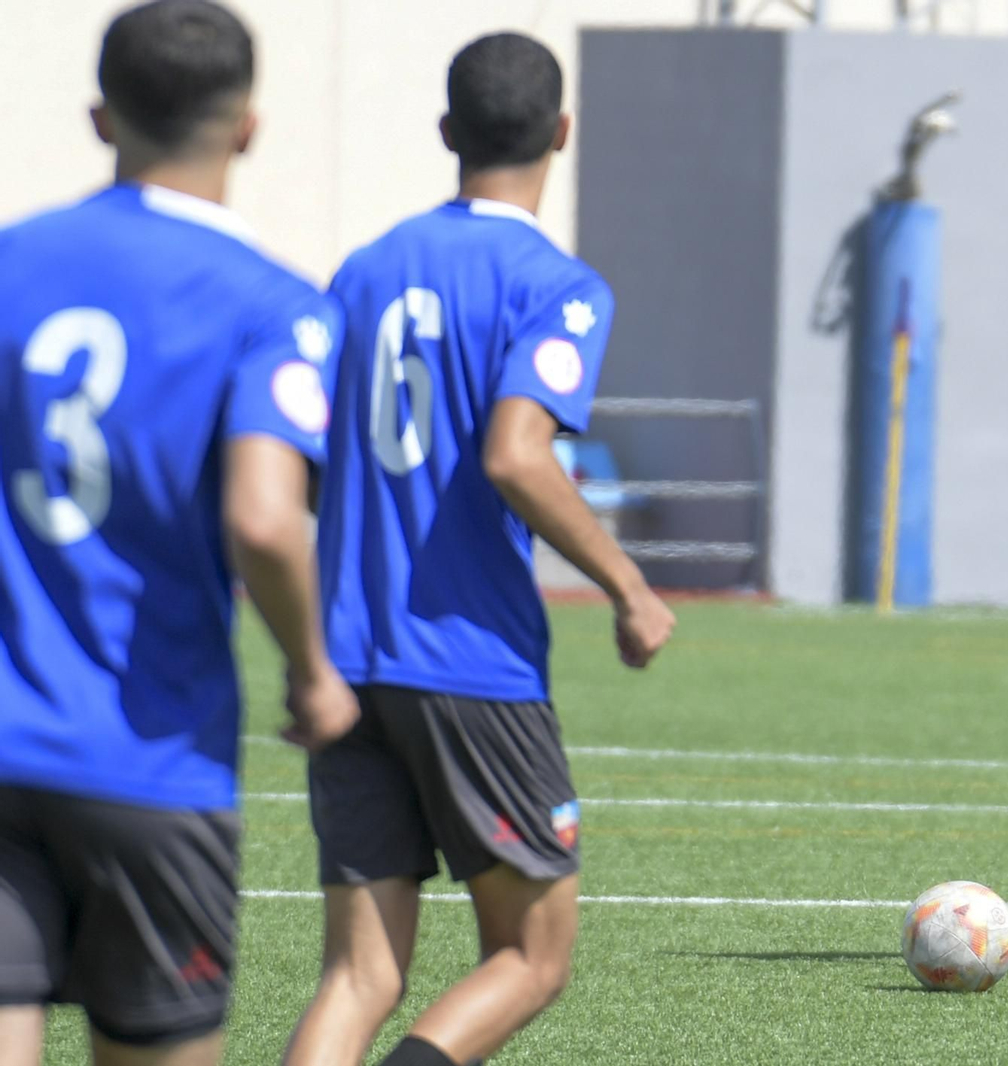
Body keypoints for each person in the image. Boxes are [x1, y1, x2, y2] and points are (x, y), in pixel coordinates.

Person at [282, 32, 676, 1066]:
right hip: (469, 658)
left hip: (350, 655)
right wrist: (628, 583)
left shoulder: (363, 271)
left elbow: (307, 462)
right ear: (562, 132)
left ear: (447, 133)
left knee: (359, 975)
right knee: (531, 957)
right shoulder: (556, 283)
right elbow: (516, 455)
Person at [0, 3, 359, 1063]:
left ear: (99, 117)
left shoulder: (12, 261)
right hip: (150, 755)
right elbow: (262, 516)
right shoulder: (273, 301)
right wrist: (311, 670)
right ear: (247, 125)